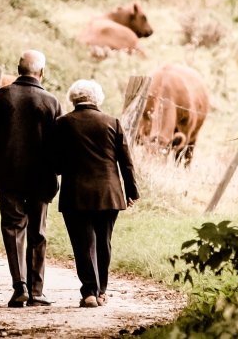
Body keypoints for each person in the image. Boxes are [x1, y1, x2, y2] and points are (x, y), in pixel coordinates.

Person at [0, 50, 63, 308]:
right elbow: (59, 147)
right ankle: (37, 292)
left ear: (18, 69)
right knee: (38, 232)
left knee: (13, 230)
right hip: (41, 179)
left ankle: (20, 288)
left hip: (8, 178)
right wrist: (57, 173)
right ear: (42, 73)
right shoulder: (51, 101)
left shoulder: (2, 97)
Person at [54, 79, 139, 308]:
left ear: (73, 98)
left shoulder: (62, 124)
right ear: (97, 99)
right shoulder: (113, 123)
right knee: (104, 241)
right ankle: (101, 291)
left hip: (75, 194)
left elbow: (55, 163)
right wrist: (131, 191)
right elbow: (126, 163)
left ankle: (89, 292)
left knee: (82, 243)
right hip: (109, 193)